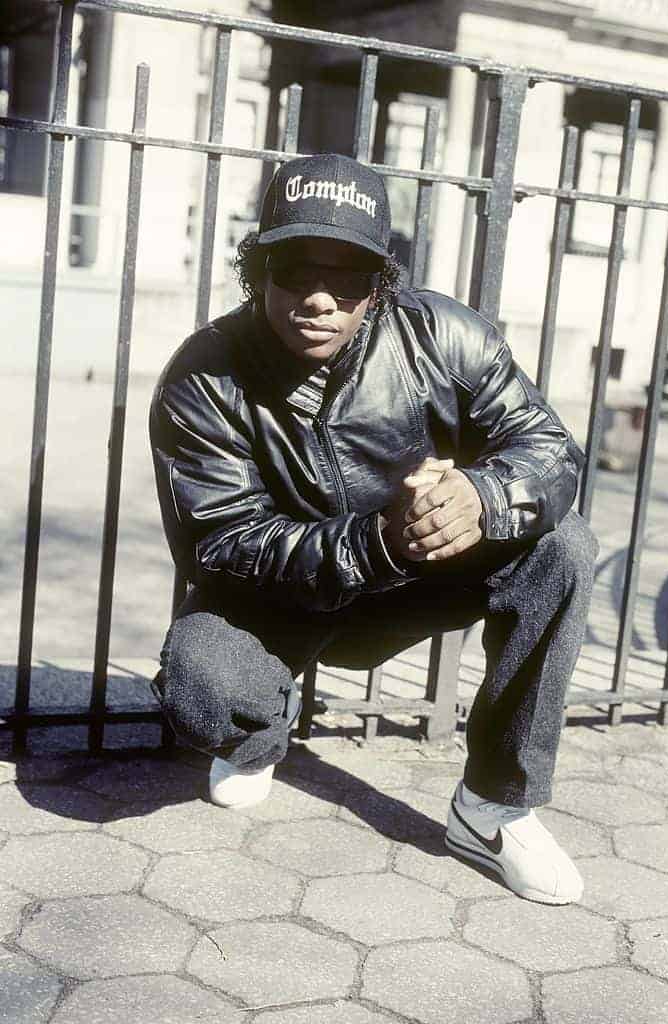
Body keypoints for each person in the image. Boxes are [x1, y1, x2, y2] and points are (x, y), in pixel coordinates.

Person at [149, 153, 599, 905]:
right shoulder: (205, 373)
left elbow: (550, 450)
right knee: (200, 683)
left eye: (349, 276)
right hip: (277, 598)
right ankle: (260, 735)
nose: (319, 298)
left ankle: (492, 808)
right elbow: (219, 542)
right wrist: (373, 541)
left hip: (415, 579)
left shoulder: (444, 335)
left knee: (562, 546)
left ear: (379, 285)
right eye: (294, 268)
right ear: (255, 269)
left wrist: (483, 497)